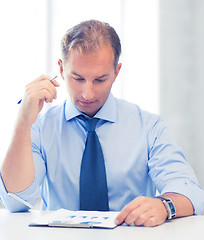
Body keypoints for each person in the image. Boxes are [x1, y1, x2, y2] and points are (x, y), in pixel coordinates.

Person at [0, 20, 204, 227]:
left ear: (116, 72)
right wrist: (23, 123)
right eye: (78, 78)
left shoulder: (149, 126)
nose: (87, 94)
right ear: (61, 70)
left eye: (100, 80)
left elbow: (191, 192)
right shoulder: (40, 127)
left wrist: (164, 206)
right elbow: (15, 201)